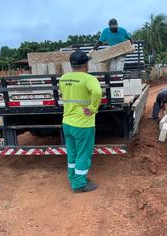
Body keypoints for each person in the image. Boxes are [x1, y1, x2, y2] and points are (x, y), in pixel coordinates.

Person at [59, 50, 102, 193]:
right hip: (83, 124)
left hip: (67, 122)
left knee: (72, 153)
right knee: (83, 154)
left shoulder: (64, 78)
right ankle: (79, 184)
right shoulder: (89, 79)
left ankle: (73, 177)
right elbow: (97, 93)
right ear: (85, 64)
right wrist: (93, 108)